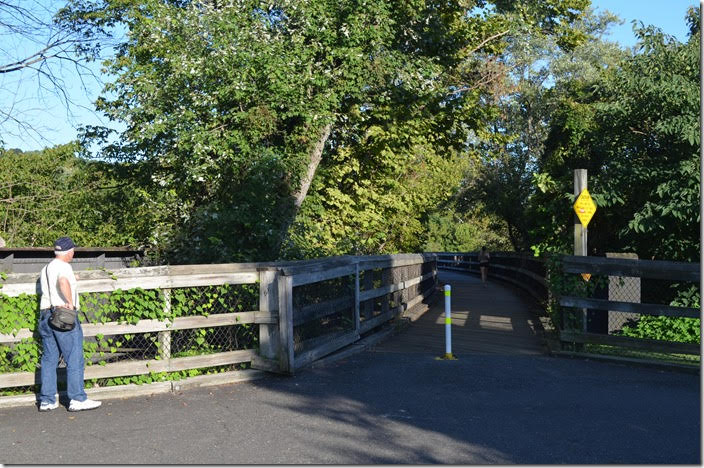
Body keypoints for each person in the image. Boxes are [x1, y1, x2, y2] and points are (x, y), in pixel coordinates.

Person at [37, 236, 101, 412]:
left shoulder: (47, 268)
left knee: (50, 359)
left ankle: (47, 400)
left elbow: (59, 281)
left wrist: (74, 279)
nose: (74, 253)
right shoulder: (64, 266)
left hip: (45, 315)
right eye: (73, 250)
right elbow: (63, 281)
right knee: (74, 357)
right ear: (68, 251)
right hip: (63, 315)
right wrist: (70, 304)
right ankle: (77, 398)